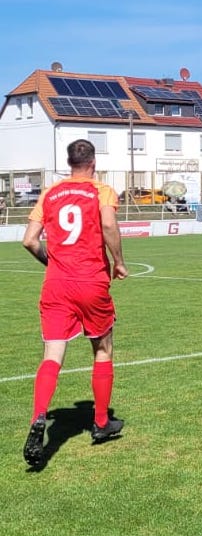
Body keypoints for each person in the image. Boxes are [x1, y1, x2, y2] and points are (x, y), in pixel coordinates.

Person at [21, 139, 128, 467]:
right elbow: (108, 223)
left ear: (69, 163)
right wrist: (119, 261)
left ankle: (38, 417)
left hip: (56, 284)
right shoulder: (102, 191)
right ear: (93, 162)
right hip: (90, 281)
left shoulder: (50, 193)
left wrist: (52, 264)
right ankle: (100, 423)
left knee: (52, 355)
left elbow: (29, 240)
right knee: (102, 349)